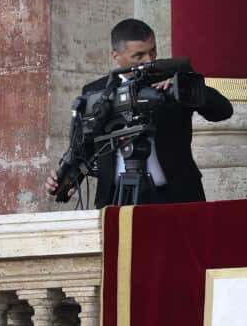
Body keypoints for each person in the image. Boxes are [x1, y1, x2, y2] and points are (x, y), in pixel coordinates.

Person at [45, 18, 233, 206]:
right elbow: (84, 147)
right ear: (115, 56)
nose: (149, 60)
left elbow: (223, 111)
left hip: (176, 196)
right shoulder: (96, 92)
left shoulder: (174, 78)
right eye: (139, 55)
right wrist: (67, 179)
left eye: (153, 51)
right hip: (116, 199)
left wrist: (183, 87)